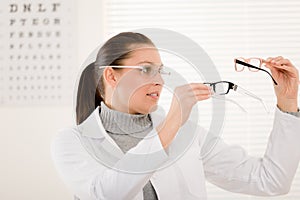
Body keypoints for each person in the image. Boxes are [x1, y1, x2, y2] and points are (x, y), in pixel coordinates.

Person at [51, 32, 300, 200]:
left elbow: (271, 180)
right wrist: (172, 122)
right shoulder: (73, 142)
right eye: (146, 70)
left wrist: (287, 102)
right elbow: (106, 194)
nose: (159, 81)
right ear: (112, 76)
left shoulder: (188, 134)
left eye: (160, 71)